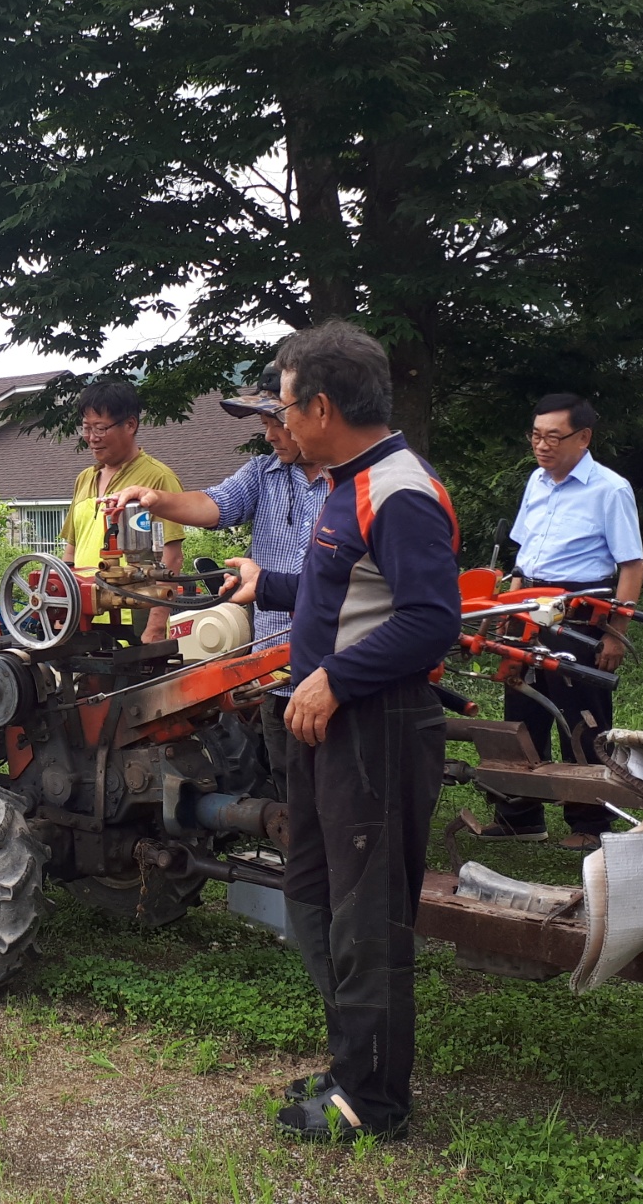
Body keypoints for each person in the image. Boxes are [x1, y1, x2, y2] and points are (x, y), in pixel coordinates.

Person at [225, 321, 460, 1144]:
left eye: (285, 406)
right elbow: (343, 590)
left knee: (368, 915)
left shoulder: (398, 491)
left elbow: (433, 620)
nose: (280, 423)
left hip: (377, 726)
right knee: (313, 896)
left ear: (321, 405)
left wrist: (334, 676)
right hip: (323, 722)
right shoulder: (342, 483)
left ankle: (375, 1100)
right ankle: (350, 1059)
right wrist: (264, 585)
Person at [112, 363, 328, 799]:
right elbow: (213, 503)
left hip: (334, 670)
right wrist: (157, 501)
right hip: (276, 669)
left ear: (313, 415)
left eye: (276, 422)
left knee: (338, 792)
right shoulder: (264, 473)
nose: (269, 434)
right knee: (289, 782)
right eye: (265, 423)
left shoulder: (352, 484)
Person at [481, 393, 643, 851]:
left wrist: (614, 631)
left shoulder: (610, 488)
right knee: (522, 704)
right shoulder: (536, 481)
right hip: (528, 605)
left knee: (582, 717)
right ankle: (520, 814)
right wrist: (507, 613)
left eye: (554, 437)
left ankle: (590, 823)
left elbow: (631, 565)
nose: (542, 446)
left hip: (580, 612)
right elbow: (522, 557)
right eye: (535, 435)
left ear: (583, 437)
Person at [60, 378, 184, 643]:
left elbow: (172, 558)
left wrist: (155, 626)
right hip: (84, 614)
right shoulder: (84, 478)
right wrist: (62, 605)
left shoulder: (157, 478)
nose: (92, 438)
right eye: (86, 428)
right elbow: (70, 551)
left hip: (133, 614)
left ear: (130, 425)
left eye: (101, 428)